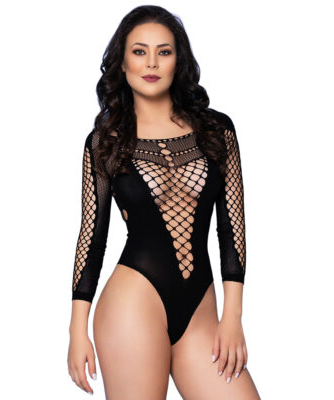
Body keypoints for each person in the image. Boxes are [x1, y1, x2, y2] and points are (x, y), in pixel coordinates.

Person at [67, 5, 261, 399]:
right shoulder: (105, 143)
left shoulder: (216, 130)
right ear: (123, 63)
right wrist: (76, 329)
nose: (152, 62)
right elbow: (92, 236)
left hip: (201, 313)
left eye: (164, 51)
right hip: (132, 306)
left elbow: (232, 228)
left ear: (178, 61)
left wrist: (233, 316)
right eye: (139, 51)